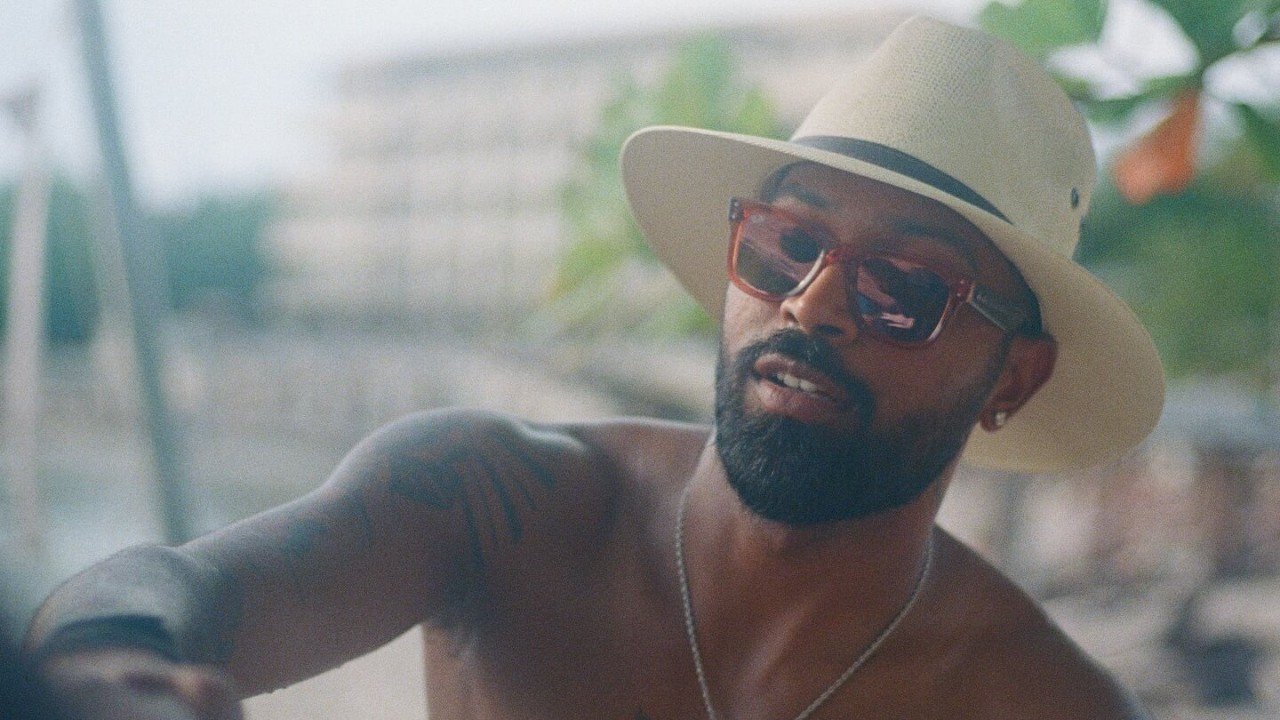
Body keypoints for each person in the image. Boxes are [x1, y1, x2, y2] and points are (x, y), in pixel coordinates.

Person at [24, 15, 1164, 720]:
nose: (812, 305)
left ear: (1011, 377)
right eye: (786, 246)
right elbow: (178, 590)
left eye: (902, 288)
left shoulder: (1037, 701)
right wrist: (106, 658)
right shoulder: (498, 503)